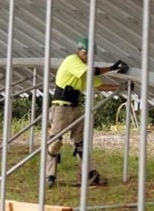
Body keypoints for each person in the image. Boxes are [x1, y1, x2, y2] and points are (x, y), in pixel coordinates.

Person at [45, 37, 128, 188]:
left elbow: (99, 85)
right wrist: (111, 68)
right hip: (61, 108)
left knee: (80, 143)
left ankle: (89, 175)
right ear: (79, 50)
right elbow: (92, 72)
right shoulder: (72, 60)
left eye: (90, 54)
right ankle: (49, 176)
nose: (87, 56)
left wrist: (120, 87)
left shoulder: (84, 70)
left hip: (75, 108)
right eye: (85, 52)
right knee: (55, 142)